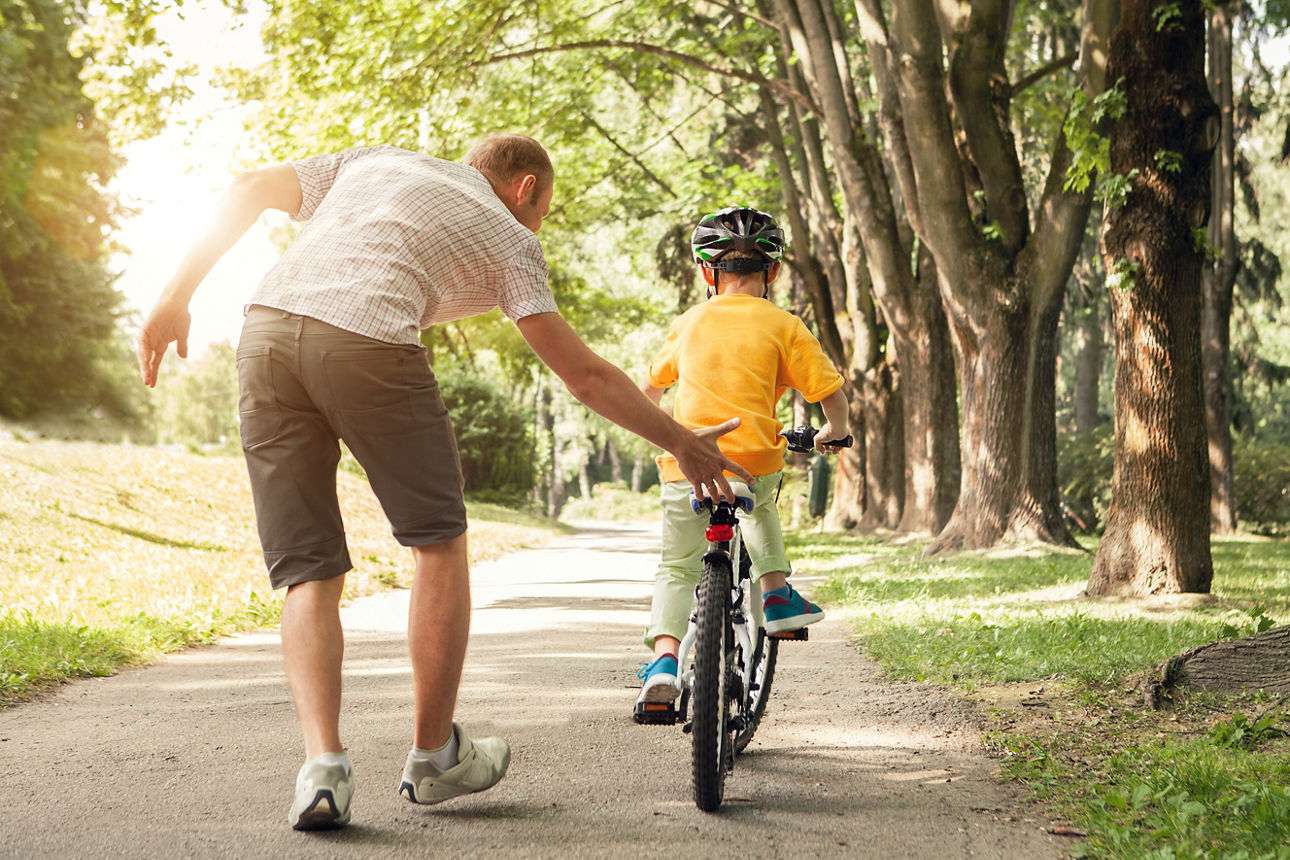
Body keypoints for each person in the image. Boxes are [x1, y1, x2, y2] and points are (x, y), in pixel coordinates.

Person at [135, 135, 753, 830]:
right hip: (367, 343)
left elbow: (247, 185)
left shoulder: (372, 161)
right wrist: (681, 443)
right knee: (438, 542)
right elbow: (582, 374)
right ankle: (433, 757)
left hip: (266, 337)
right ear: (525, 190)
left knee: (307, 568)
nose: (539, 224)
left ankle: (324, 769)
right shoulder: (511, 236)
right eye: (545, 209)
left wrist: (173, 295)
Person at [635, 206, 850, 711]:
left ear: (707, 272)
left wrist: (664, 435)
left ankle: (665, 660)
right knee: (762, 505)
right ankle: (775, 592)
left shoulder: (688, 322)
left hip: (686, 461)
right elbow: (829, 392)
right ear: (772, 271)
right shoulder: (785, 324)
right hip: (752, 455)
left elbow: (649, 389)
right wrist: (833, 432)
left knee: (677, 566)